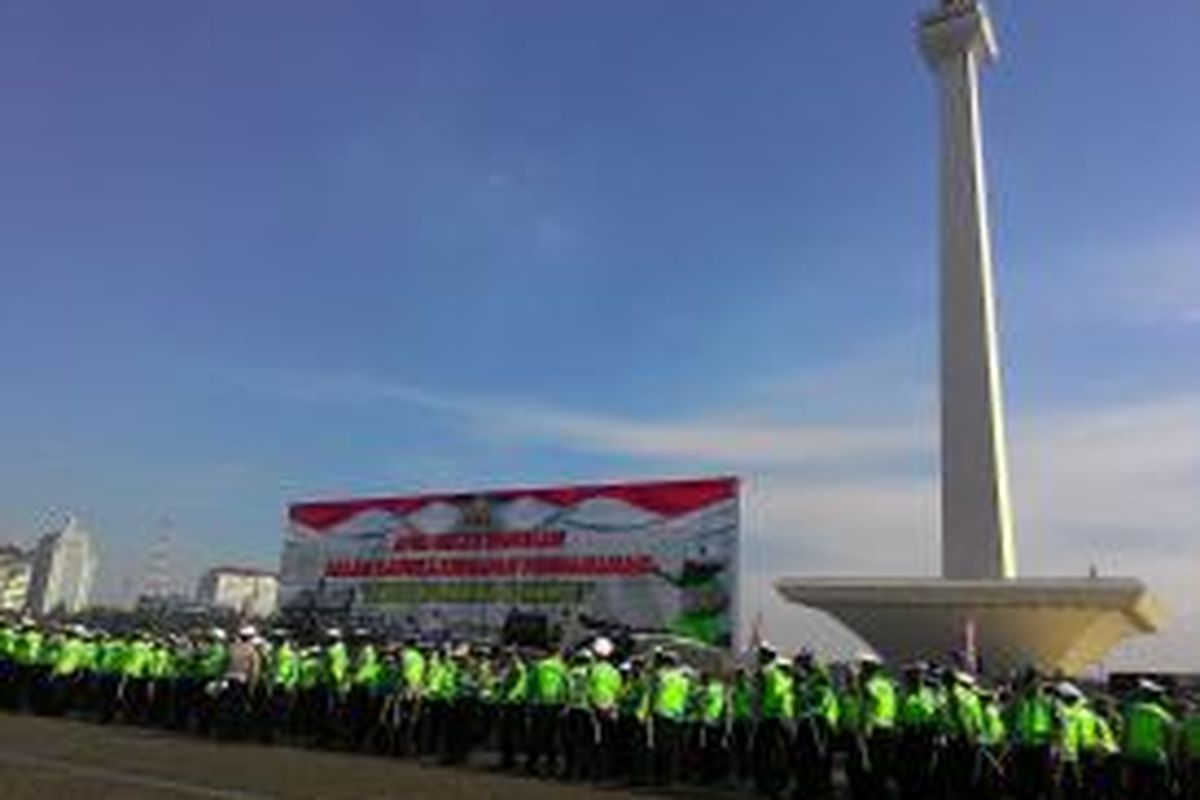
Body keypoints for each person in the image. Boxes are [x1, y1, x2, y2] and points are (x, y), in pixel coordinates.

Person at [1121, 679, 1177, 800]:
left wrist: (1124, 757)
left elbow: (1124, 736)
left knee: (1135, 793)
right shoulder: (1165, 716)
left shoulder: (1130, 712)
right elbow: (1170, 742)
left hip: (1134, 758)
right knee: (1154, 793)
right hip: (1156, 760)